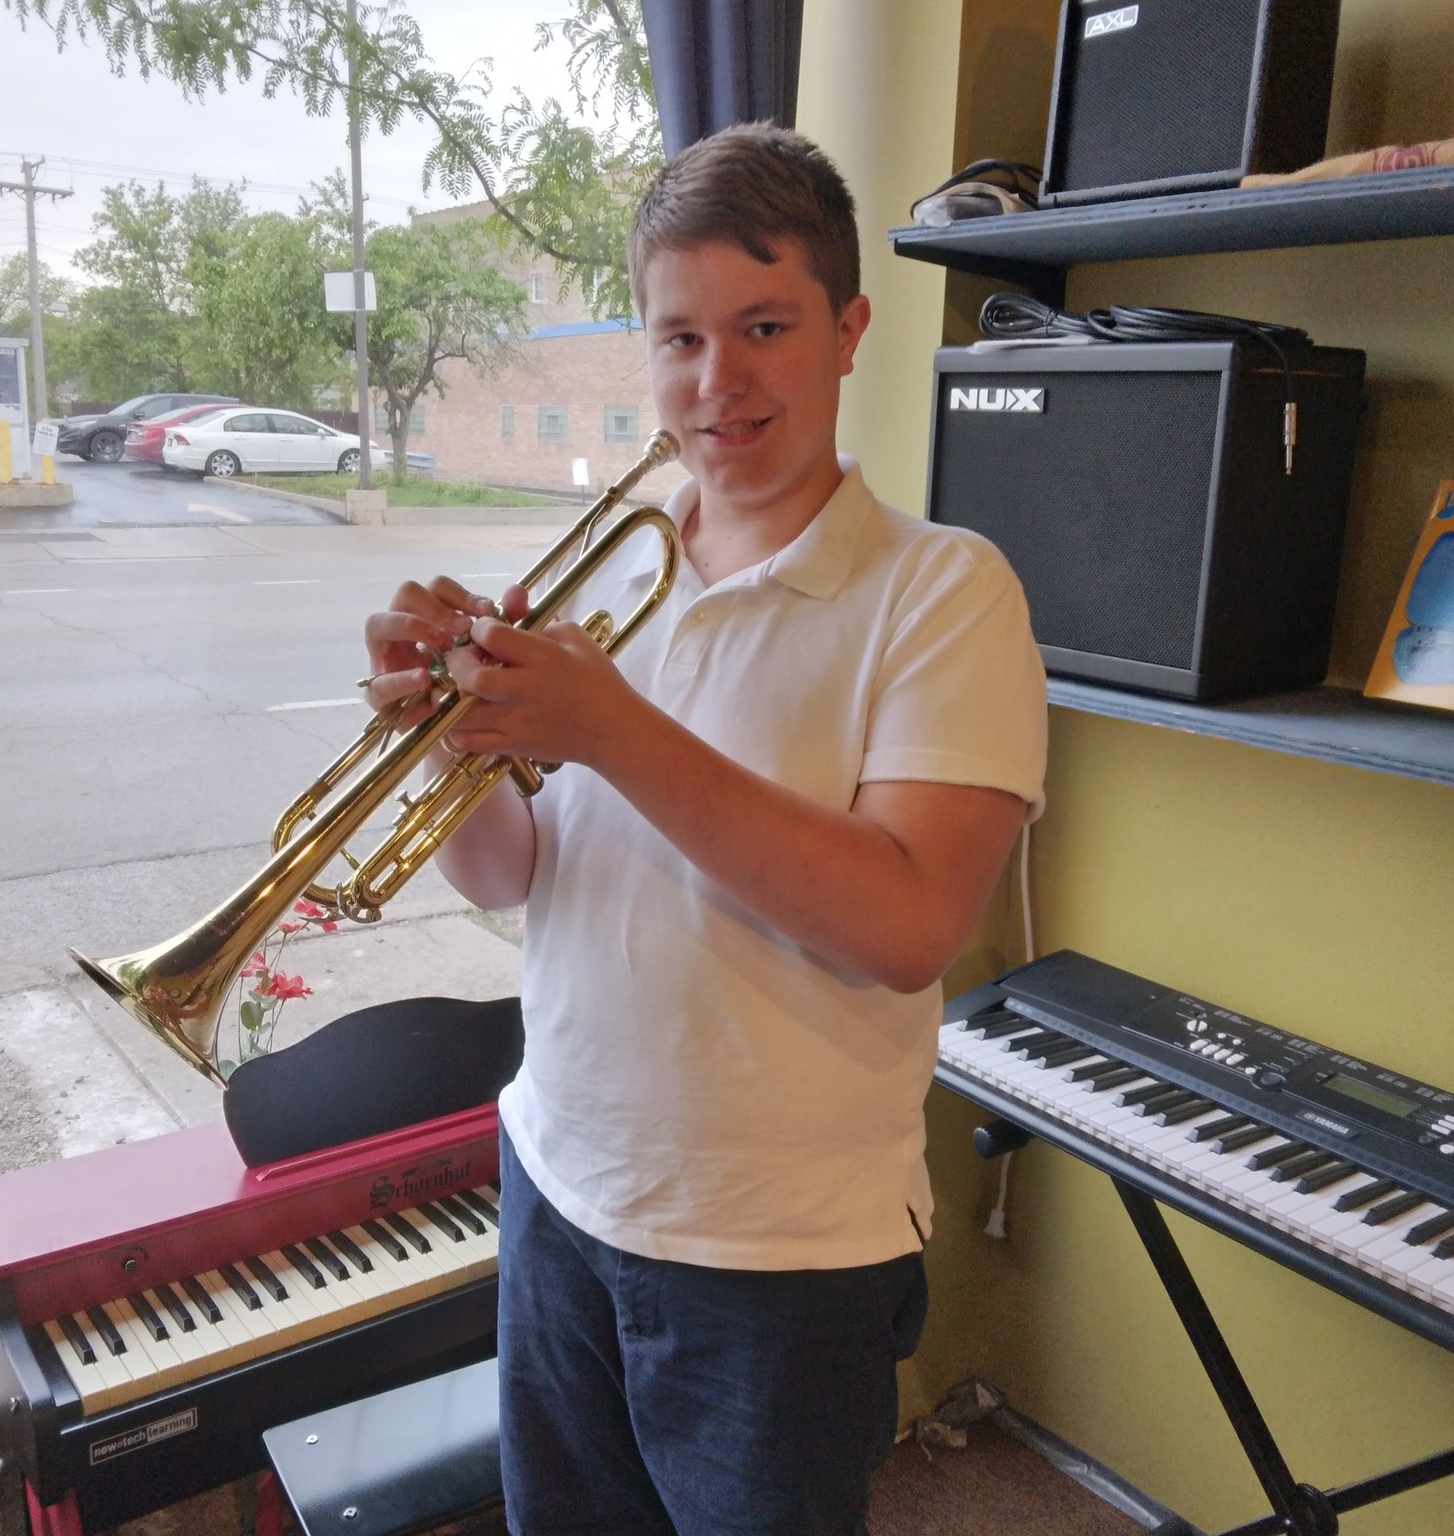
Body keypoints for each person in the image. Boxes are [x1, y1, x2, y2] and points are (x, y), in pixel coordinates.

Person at [360, 123, 1047, 1536]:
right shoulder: (604, 577)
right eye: (679, 338)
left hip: (778, 1259)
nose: (717, 381)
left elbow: (907, 924)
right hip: (558, 1184)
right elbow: (514, 875)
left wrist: (612, 727)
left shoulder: (944, 591)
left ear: (850, 331)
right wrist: (433, 744)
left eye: (766, 326)